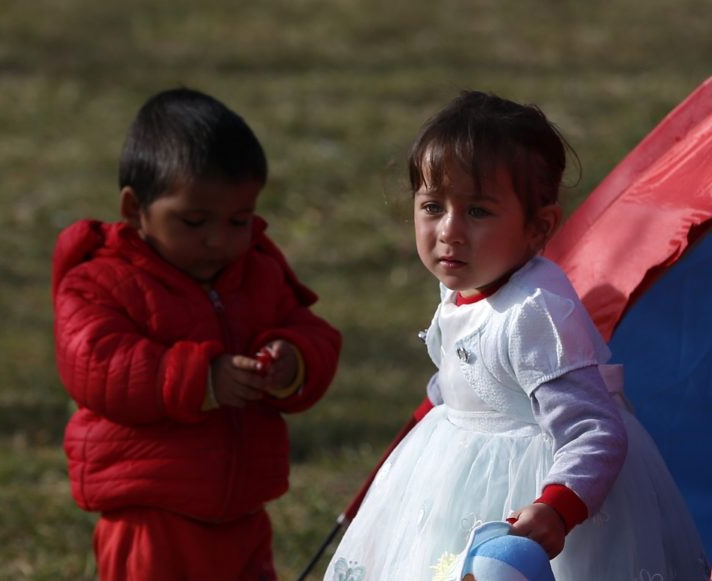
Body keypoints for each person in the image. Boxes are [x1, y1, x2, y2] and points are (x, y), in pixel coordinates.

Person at [324, 90, 709, 580]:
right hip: (457, 471)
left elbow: (595, 430)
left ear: (537, 227)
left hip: (533, 497)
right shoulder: (464, 283)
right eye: (432, 206)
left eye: (478, 211)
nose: (450, 230)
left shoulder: (533, 315)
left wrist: (557, 508)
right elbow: (460, 374)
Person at [51, 87, 342, 580]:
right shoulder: (100, 280)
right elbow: (97, 365)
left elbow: (309, 328)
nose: (218, 239)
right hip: (150, 513)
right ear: (133, 208)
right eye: (193, 220)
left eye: (239, 220)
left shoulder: (257, 270)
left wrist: (292, 359)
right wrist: (203, 378)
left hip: (243, 510)